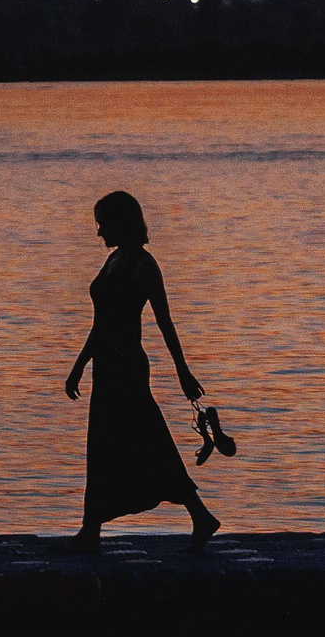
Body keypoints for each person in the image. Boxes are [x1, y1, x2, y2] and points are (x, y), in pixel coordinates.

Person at [63, 190, 220, 551]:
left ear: (120, 222)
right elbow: (100, 323)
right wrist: (79, 365)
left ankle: (94, 530)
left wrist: (182, 372)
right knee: (106, 444)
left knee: (144, 439)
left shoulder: (143, 266)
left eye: (102, 224)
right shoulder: (114, 260)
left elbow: (165, 323)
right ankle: (94, 529)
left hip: (128, 367)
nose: (99, 232)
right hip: (105, 365)